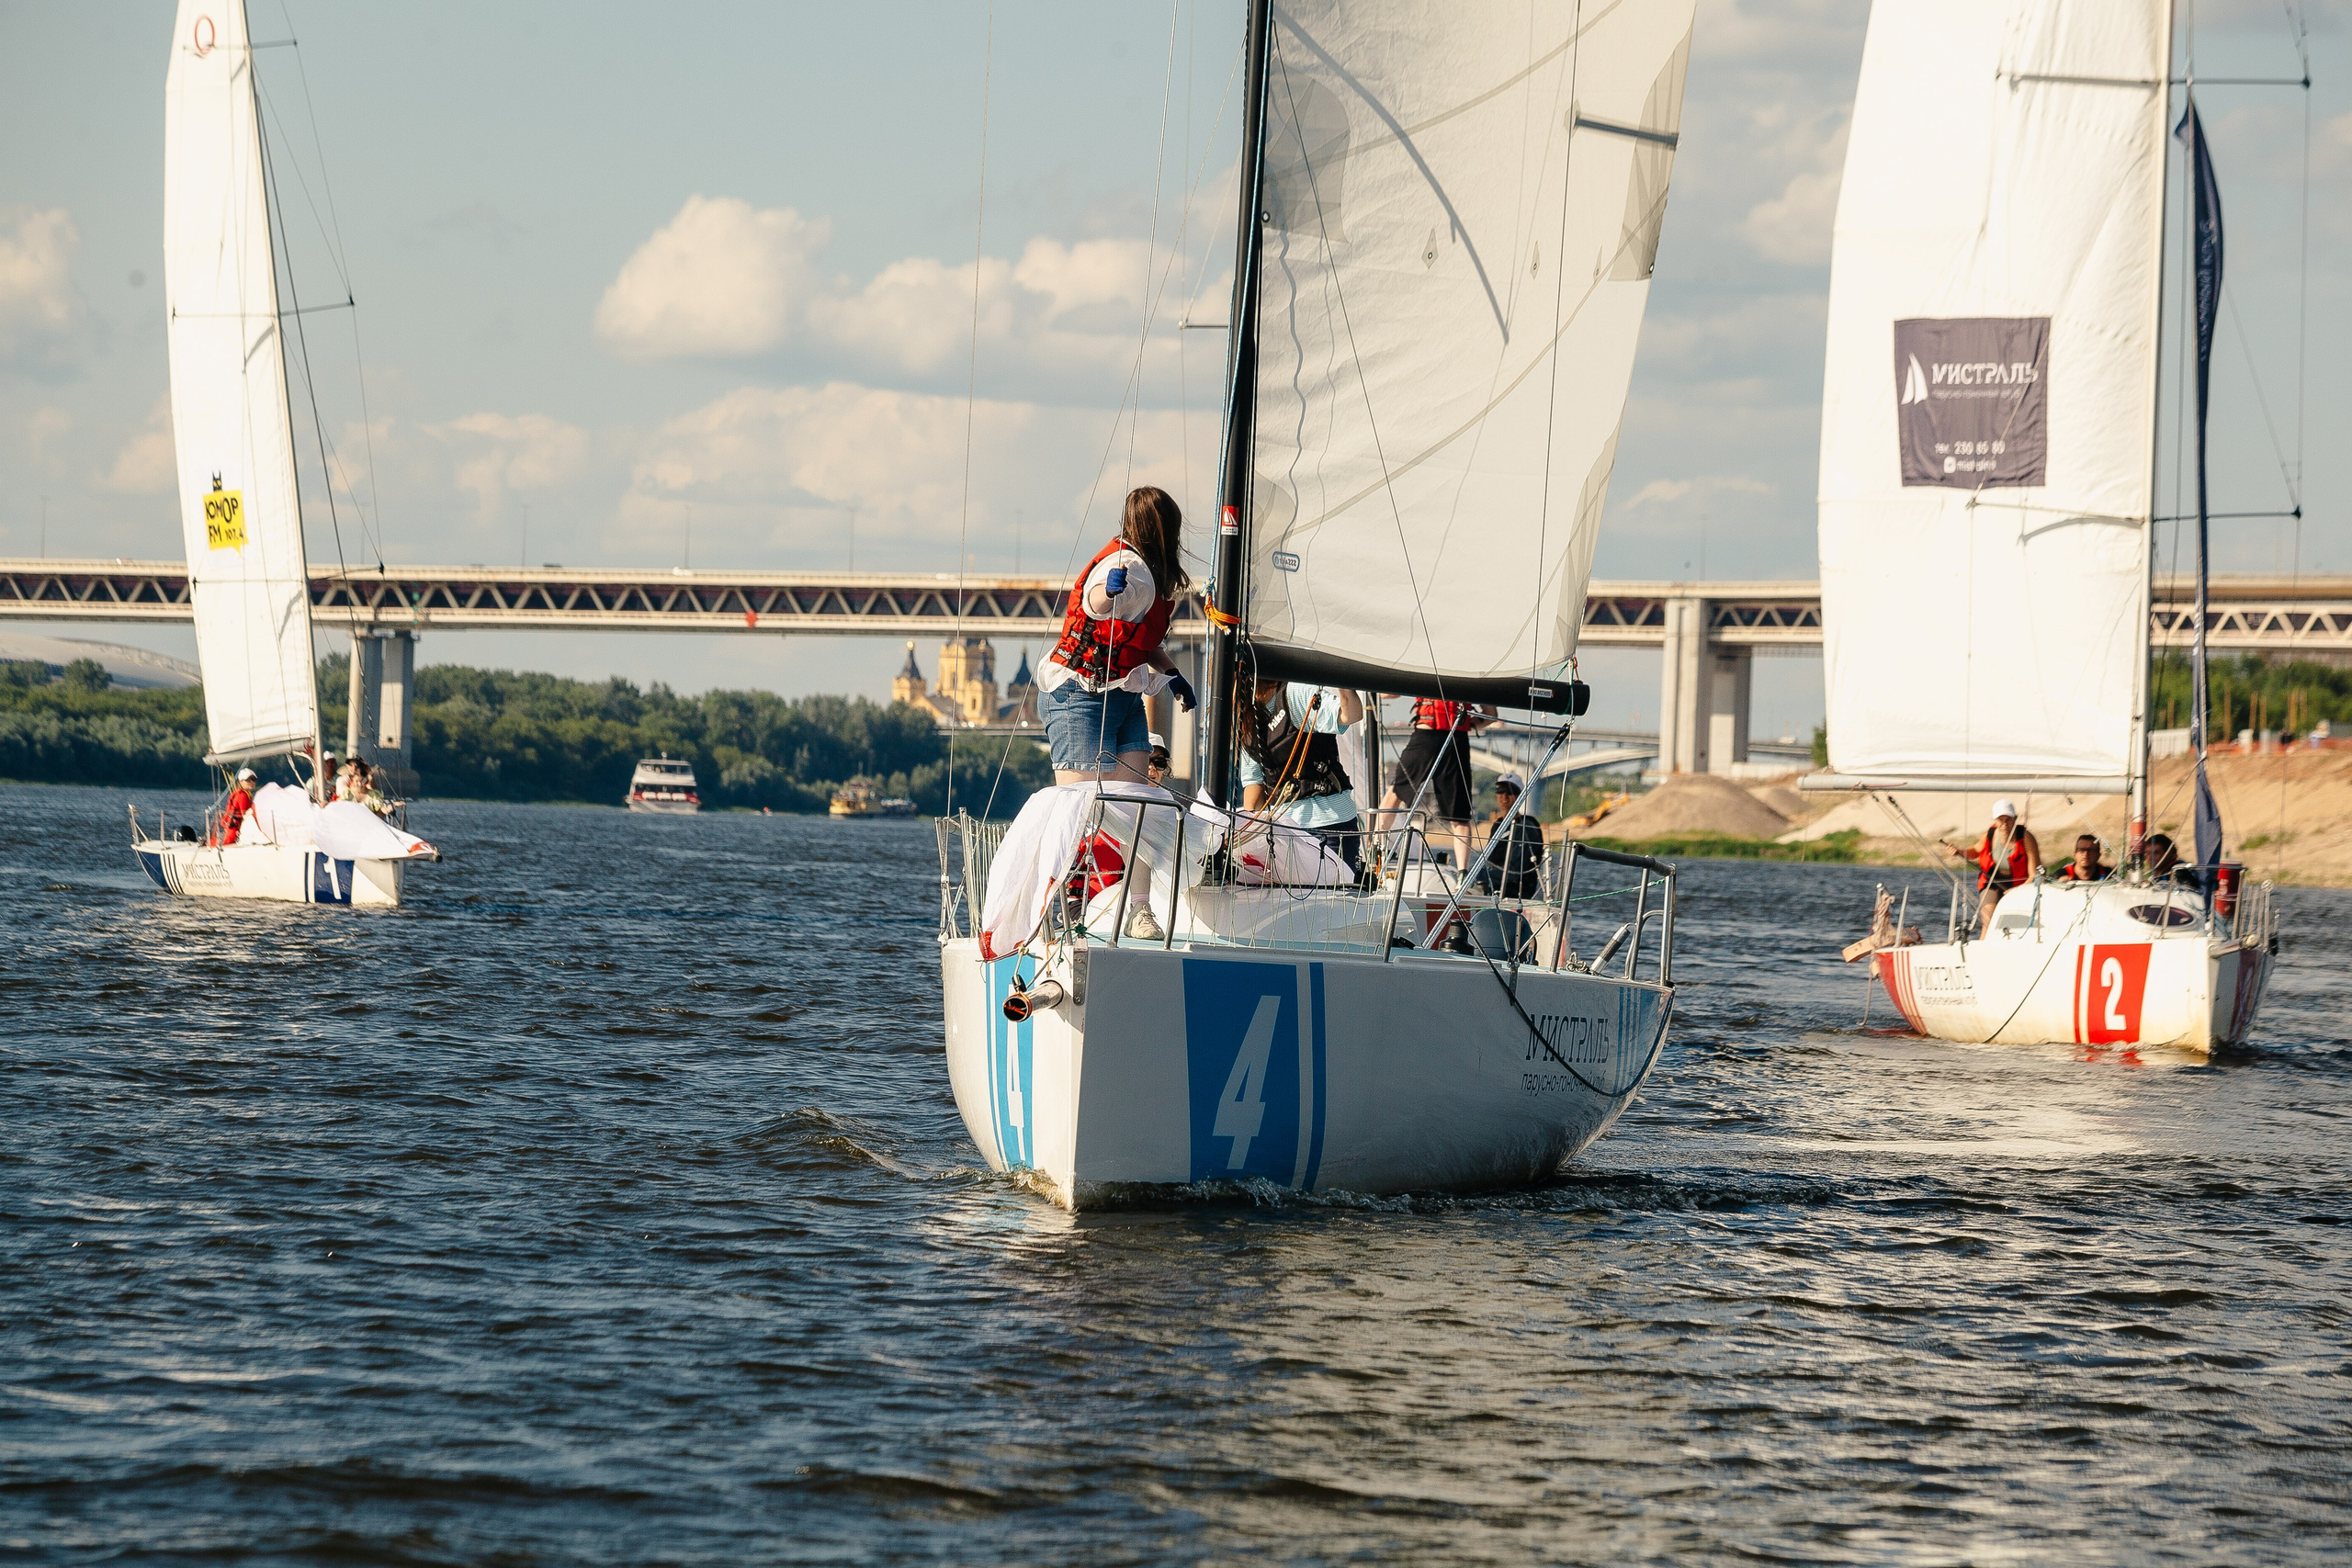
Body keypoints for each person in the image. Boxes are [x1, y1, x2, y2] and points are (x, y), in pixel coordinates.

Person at [1035, 486, 1197, 938]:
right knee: (1078, 806)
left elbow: (1145, 645)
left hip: (1122, 694)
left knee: (1141, 803)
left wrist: (1172, 676)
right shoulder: (1120, 565)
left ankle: (1138, 910)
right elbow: (1092, 606)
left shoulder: (1159, 579)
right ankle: (1056, 906)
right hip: (1078, 693)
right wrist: (1109, 595)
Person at [1238, 679, 1367, 880]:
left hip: (1330, 825)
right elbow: (1253, 786)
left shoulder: (1294, 694)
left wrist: (1341, 676)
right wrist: (1246, 839)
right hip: (1285, 832)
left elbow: (1351, 715)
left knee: (1333, 902)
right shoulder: (1247, 720)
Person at [1377, 694, 1494, 879]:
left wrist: (1371, 692)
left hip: (1427, 734)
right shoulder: (1470, 675)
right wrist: (1468, 723)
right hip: (1457, 737)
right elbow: (1490, 714)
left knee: (1395, 793)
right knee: (1460, 816)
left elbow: (1392, 692)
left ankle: (1374, 850)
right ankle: (1463, 874)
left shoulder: (1425, 669)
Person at [1942, 799, 2041, 936]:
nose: (2005, 824)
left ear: (2015, 819)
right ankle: (1982, 947)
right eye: (2001, 820)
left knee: (2014, 923)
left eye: (2009, 819)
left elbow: (2033, 875)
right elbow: (1975, 851)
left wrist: (2017, 890)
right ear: (1995, 821)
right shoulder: (1990, 835)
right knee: (1989, 920)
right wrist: (1959, 851)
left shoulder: (2026, 837)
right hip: (1992, 880)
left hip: (2019, 884)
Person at [1476, 773, 1548, 899]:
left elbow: (1515, 870)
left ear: (1519, 795)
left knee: (1475, 878)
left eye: (1510, 791)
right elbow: (1490, 860)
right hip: (1494, 887)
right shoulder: (1498, 825)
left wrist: (1480, 876)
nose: (1504, 795)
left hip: (1515, 892)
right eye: (1500, 790)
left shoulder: (1527, 827)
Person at [219, 766, 258, 845]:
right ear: (241, 781)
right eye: (248, 780)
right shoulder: (242, 795)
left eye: (253, 779)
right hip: (234, 832)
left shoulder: (245, 794)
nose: (251, 782)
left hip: (236, 830)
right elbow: (245, 816)